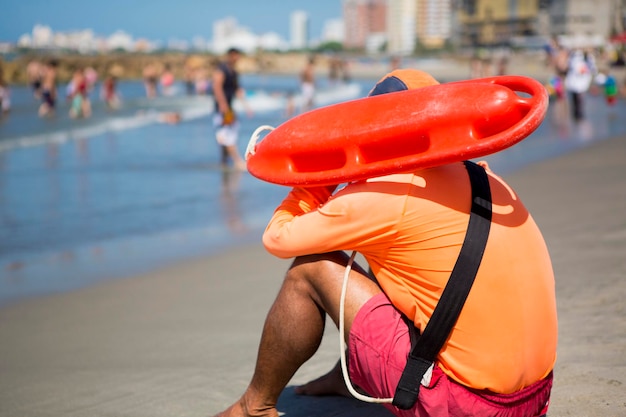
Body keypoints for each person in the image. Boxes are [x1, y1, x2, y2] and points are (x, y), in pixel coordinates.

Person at [213, 69, 557, 417]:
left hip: (464, 405)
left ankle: (253, 407)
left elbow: (278, 237)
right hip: (534, 398)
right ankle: (349, 378)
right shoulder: (484, 176)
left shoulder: (386, 194)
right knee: (396, 261)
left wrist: (321, 176)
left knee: (312, 269)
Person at [212, 47, 250, 171]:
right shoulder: (222, 69)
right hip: (222, 109)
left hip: (229, 108)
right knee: (227, 134)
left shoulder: (234, 72)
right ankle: (237, 161)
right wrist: (223, 106)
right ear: (231, 55)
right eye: (236, 55)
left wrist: (246, 106)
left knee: (227, 134)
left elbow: (237, 90)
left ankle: (224, 163)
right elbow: (217, 87)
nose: (238, 58)